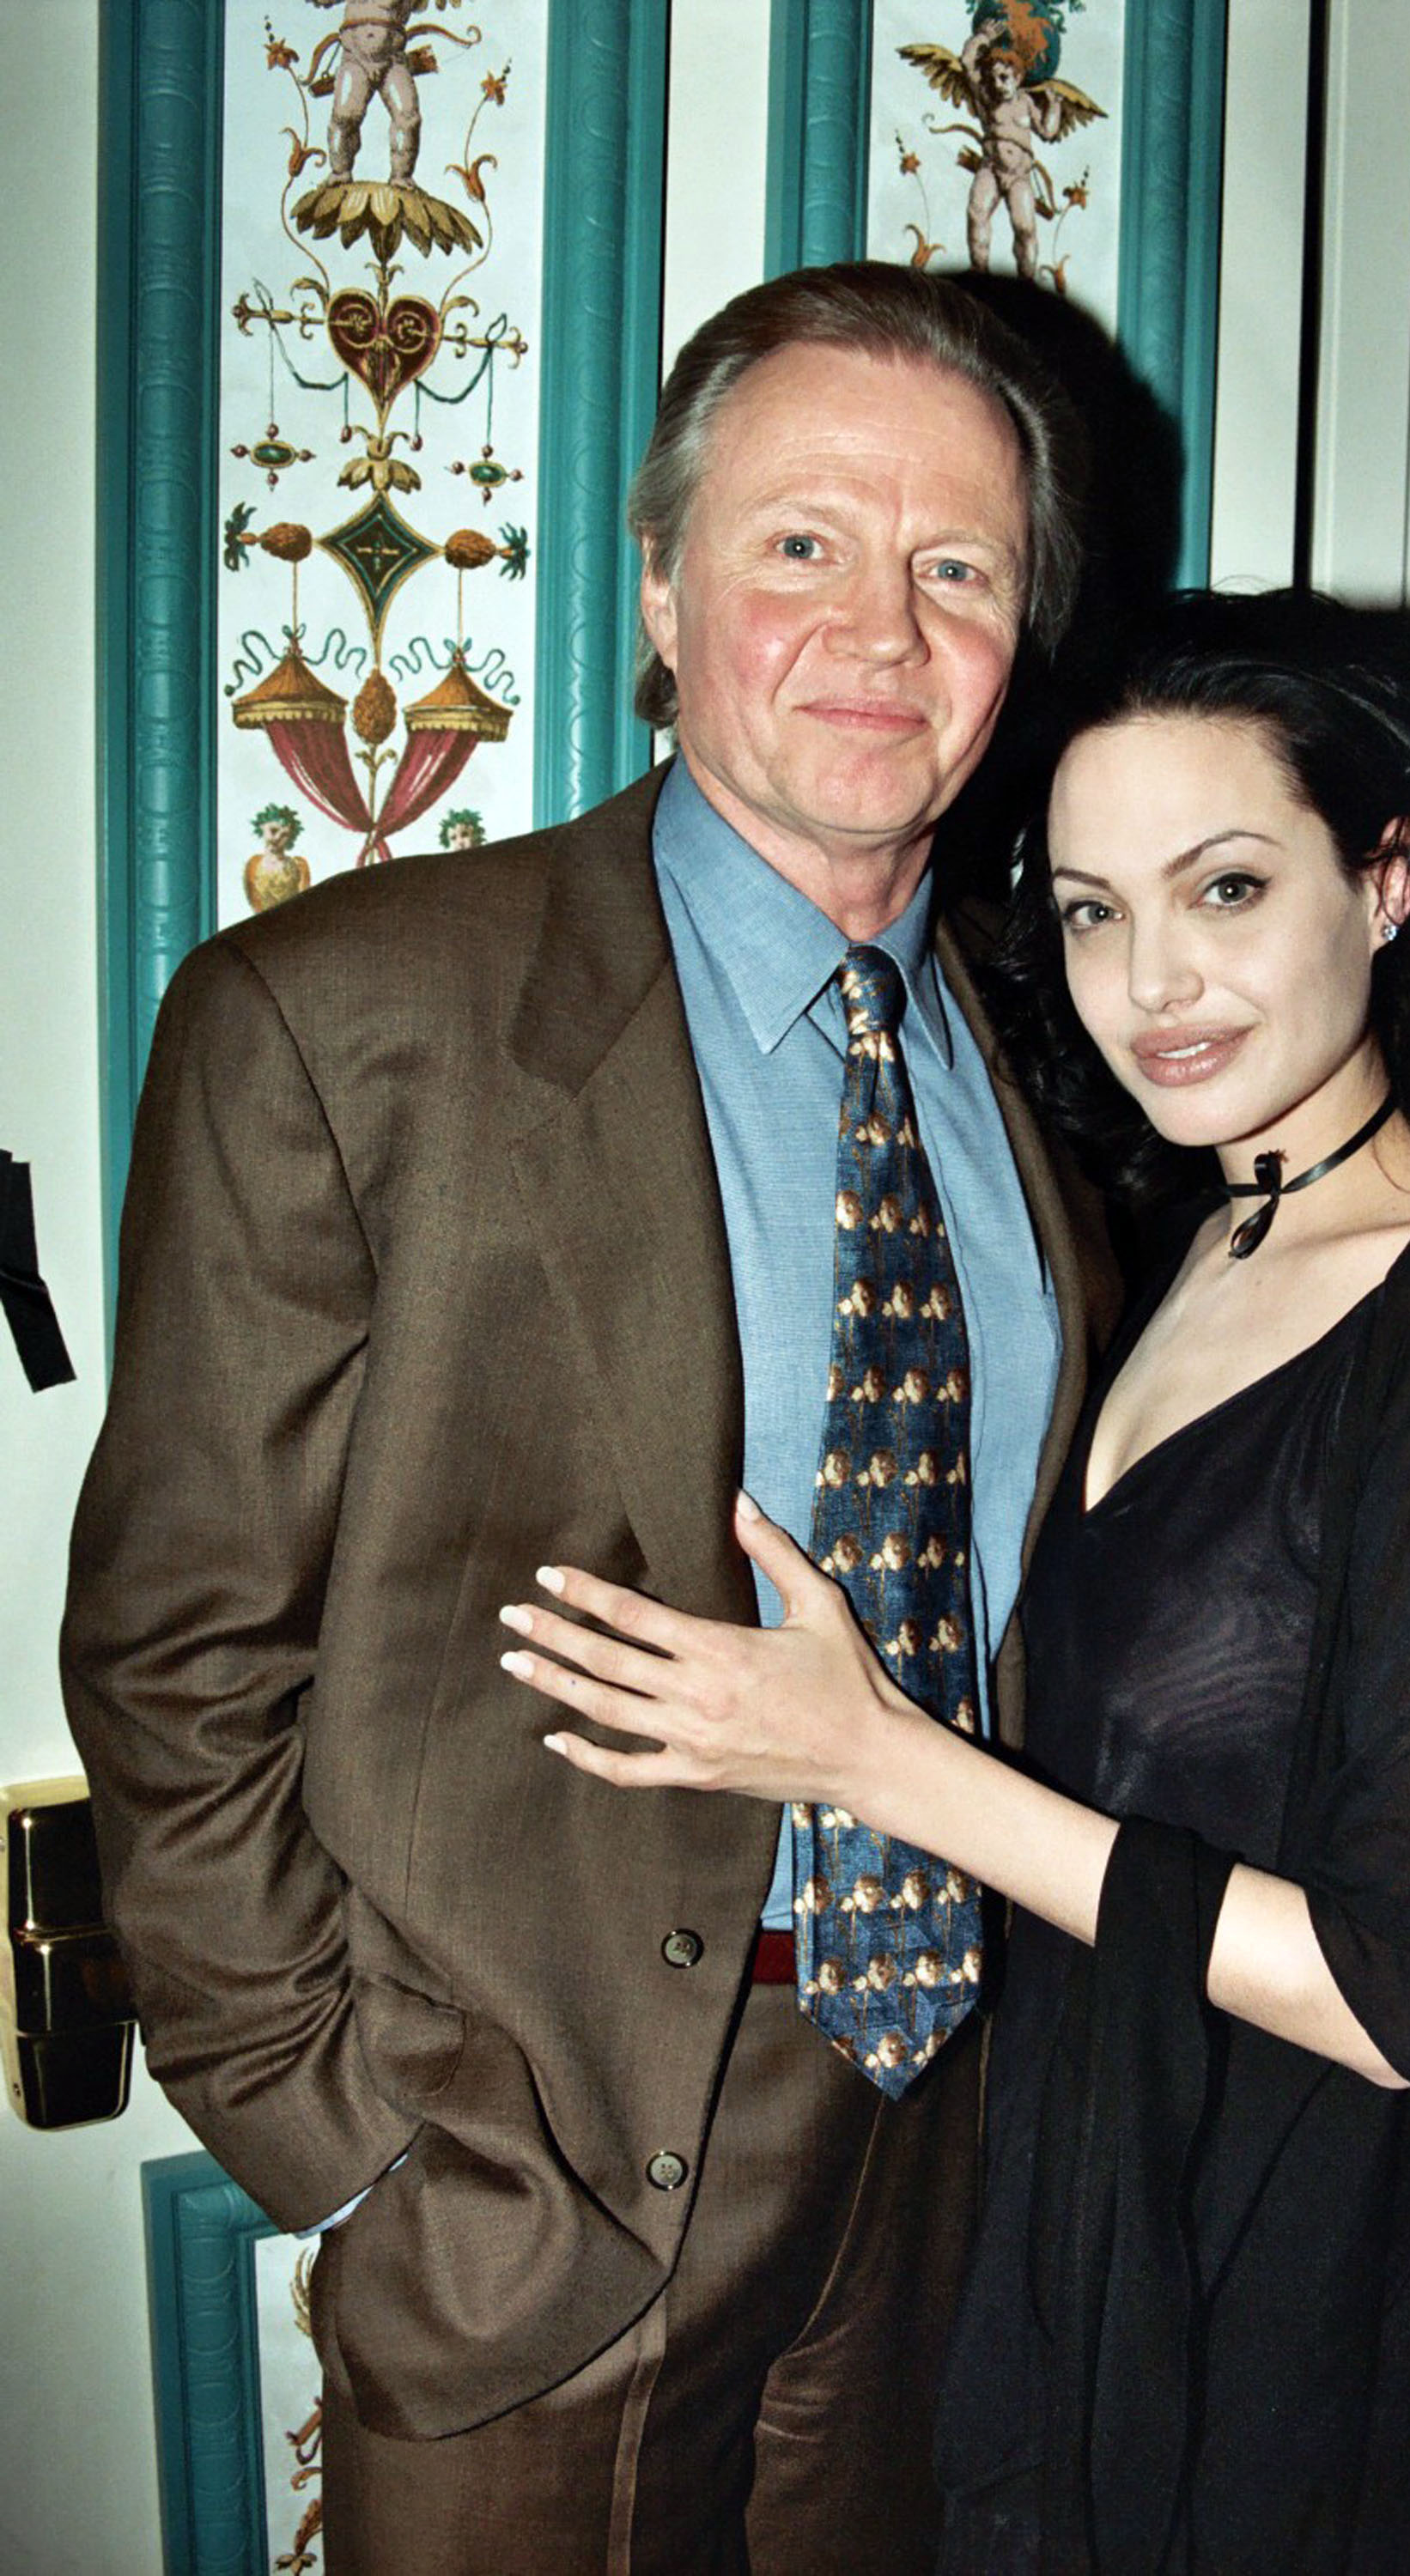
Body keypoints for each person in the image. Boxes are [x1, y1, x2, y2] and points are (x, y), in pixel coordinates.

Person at [60, 264, 1116, 2575]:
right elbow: (178, 1651)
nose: (882, 626)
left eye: (957, 567)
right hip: (525, 2158)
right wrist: (351, 2143)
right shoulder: (344, 1025)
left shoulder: (1048, 1075)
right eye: (801, 543)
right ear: (659, 583)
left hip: (927, 2134)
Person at [499, 593, 1410, 2571]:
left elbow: (1390, 1988)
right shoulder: (1203, 1234)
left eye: (1227, 889)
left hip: (1282, 2251)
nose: (1152, 982)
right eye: (1094, 911)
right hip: (1086, 2157)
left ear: (1388, 883)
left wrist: (869, 1758)